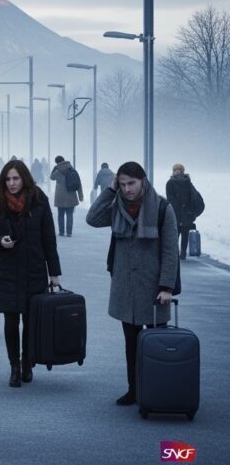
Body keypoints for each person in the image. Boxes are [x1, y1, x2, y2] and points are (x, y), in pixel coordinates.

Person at [86, 161, 178, 406]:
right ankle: (134, 389)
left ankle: (157, 391)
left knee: (157, 344)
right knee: (131, 344)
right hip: (125, 286)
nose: (127, 189)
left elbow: (170, 250)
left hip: (154, 288)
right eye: (123, 184)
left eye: (131, 183)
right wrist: (109, 190)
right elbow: (92, 218)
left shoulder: (162, 208)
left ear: (143, 181)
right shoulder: (116, 205)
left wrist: (167, 287)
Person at [0, 160, 61, 387]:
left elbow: (49, 239)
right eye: (8, 179)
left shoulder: (39, 201)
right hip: (8, 270)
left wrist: (54, 272)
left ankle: (28, 363)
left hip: (34, 268)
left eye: (16, 178)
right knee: (11, 320)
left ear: (24, 178)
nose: (12, 183)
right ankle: (14, 366)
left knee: (31, 320)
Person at [165, 163, 205, 259]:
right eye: (175, 170)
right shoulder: (170, 183)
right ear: (173, 171)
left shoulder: (188, 183)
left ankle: (183, 253)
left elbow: (193, 197)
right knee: (175, 234)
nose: (177, 172)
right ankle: (175, 253)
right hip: (175, 213)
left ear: (182, 171)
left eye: (179, 170)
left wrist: (191, 209)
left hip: (187, 213)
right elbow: (170, 198)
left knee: (185, 234)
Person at [50, 155, 84, 237]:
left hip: (60, 196)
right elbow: (78, 184)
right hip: (71, 195)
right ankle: (69, 232)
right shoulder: (72, 169)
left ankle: (61, 232)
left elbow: (51, 177)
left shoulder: (57, 171)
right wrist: (80, 196)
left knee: (60, 215)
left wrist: (54, 168)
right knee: (70, 214)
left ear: (57, 162)